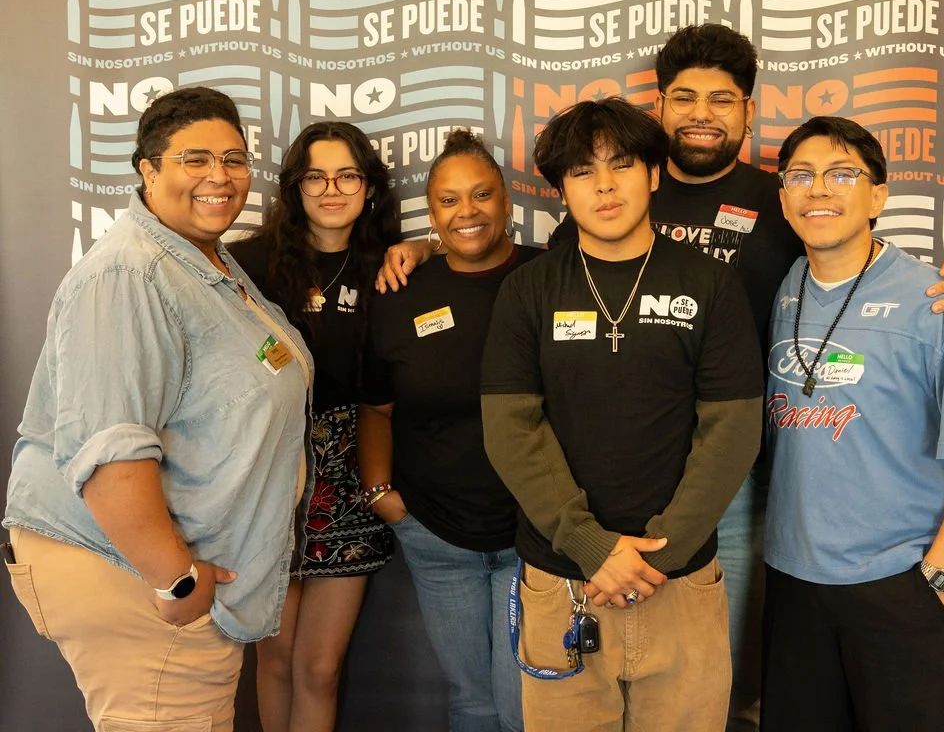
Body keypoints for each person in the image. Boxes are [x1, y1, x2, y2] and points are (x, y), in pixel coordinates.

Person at [541, 23, 944, 730]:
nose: (701, 113)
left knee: (728, 688)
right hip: (631, 488)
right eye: (683, 96)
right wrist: (428, 254)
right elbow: (537, 291)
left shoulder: (784, 206)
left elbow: (858, 258)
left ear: (748, 112)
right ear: (658, 107)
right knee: (634, 688)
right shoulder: (619, 194)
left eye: (722, 99)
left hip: (750, 487)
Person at [2, 86, 311, 731]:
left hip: (176, 573)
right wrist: (174, 579)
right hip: (133, 574)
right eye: (194, 159)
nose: (219, 177)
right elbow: (109, 452)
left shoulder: (203, 261)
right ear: (148, 169)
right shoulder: (129, 276)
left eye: (233, 158)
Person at [480, 98, 765, 732]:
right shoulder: (527, 290)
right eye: (582, 171)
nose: (604, 185)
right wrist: (591, 546)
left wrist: (659, 557)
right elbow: (511, 430)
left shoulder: (712, 284)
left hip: (681, 582)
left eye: (623, 164)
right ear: (560, 189)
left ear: (655, 174)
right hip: (564, 584)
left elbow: (733, 429)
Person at [760, 116, 944, 732]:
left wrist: (936, 574)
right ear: (784, 198)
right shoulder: (786, 287)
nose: (819, 189)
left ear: (878, 194)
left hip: (903, 582)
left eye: (841, 174)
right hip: (795, 582)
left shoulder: (940, 300)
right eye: (801, 176)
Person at [358, 130, 540, 732]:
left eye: (481, 194)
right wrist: (384, 496)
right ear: (431, 212)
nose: (467, 212)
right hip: (435, 536)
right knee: (471, 703)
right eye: (448, 200)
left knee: (526, 708)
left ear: (508, 200)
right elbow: (377, 407)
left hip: (535, 537)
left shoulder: (553, 278)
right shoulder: (400, 292)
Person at [230, 121, 399, 732]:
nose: (332, 189)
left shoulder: (391, 267)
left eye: (348, 175)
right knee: (273, 660)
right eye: (315, 177)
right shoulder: (243, 263)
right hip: (267, 476)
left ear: (370, 187)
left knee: (321, 668)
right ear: (294, 188)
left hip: (352, 480)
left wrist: (425, 249)